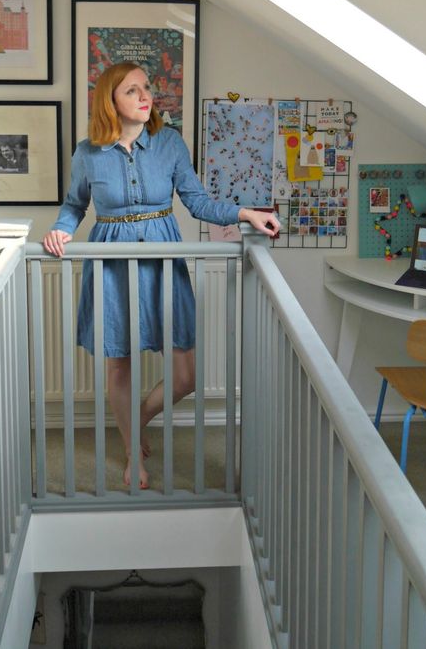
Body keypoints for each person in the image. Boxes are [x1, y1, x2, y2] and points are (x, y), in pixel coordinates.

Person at [43, 61, 280, 489]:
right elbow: (74, 205)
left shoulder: (169, 143)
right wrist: (61, 229)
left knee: (185, 374)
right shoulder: (87, 152)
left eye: (146, 87)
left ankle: (138, 419)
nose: (144, 95)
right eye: (131, 90)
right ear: (110, 101)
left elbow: (198, 202)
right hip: (111, 259)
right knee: (120, 364)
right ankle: (133, 453)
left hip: (163, 258)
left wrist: (245, 213)